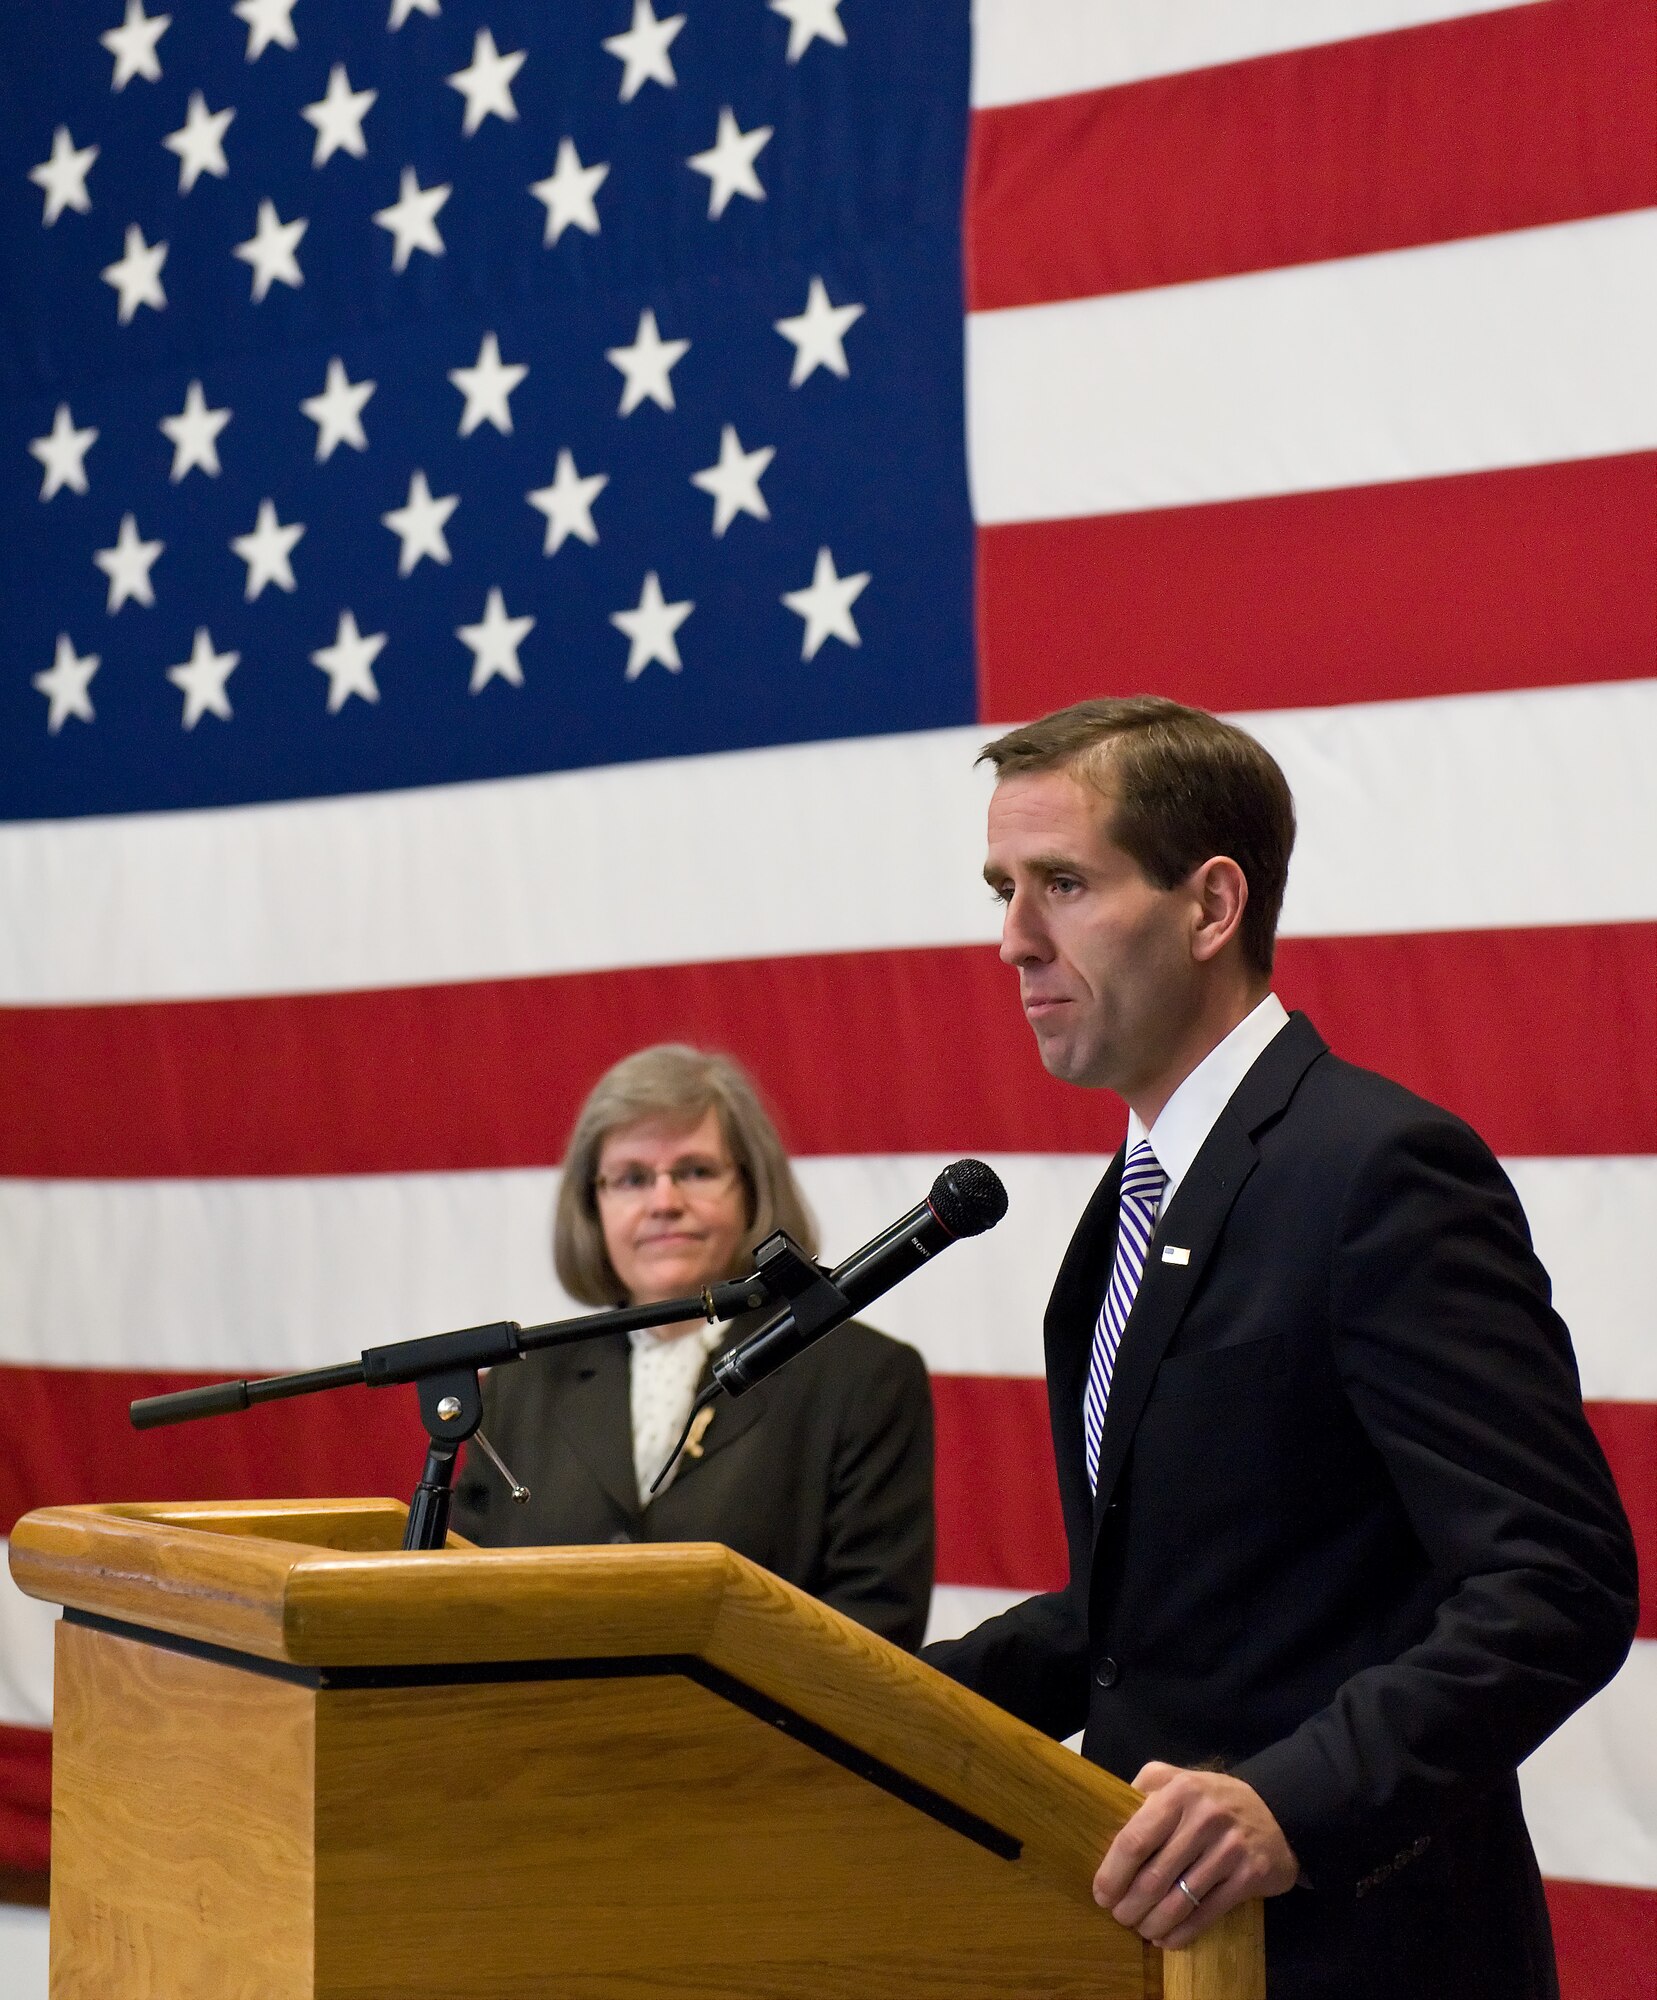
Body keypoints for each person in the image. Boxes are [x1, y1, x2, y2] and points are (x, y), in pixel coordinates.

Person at [924, 696, 1637, 1999]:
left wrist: (1287, 1805)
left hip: (1367, 1953)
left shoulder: (1373, 1170)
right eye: (1002, 890)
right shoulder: (1131, 1205)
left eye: (1064, 885)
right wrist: (851, 1700)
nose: (1014, 940)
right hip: (1174, 1955)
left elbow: (1557, 1585)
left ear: (1210, 907)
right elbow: (1136, 1617)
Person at [452, 1043, 935, 1650]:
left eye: (696, 1171)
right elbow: (460, 1596)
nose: (664, 1203)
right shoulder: (523, 1383)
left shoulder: (862, 1378)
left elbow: (876, 1628)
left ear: (752, 1191)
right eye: (632, 1178)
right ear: (592, 1208)